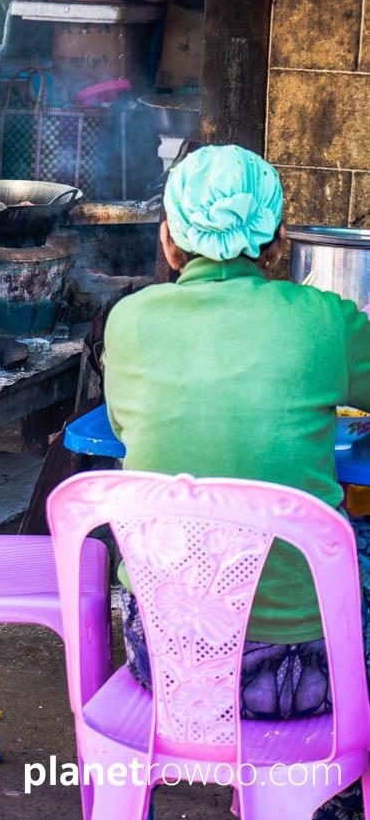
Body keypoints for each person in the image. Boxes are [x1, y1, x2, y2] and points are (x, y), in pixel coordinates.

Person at [103, 144, 370, 820]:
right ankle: (328, 788)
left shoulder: (127, 322)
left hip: (163, 666)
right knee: (352, 545)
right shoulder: (322, 322)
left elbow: (126, 423)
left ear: (167, 241)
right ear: (279, 243)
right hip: (297, 680)